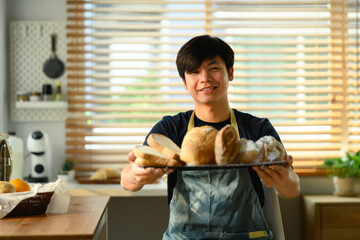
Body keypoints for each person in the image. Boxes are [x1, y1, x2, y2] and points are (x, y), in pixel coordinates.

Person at [121, 35, 300, 239]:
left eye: (213, 68)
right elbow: (127, 181)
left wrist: (283, 178)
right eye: (195, 72)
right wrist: (136, 175)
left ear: (230, 72)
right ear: (184, 82)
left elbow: (292, 189)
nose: (205, 78)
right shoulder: (171, 128)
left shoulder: (256, 128)